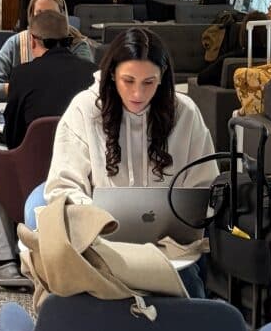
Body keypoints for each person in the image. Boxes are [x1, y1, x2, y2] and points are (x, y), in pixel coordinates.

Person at [44, 28, 217, 295]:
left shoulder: (185, 113)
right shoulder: (85, 109)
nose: (138, 93)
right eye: (128, 81)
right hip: (102, 245)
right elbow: (62, 188)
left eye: (149, 82)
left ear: (162, 79)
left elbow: (204, 187)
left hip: (170, 249)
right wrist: (95, 218)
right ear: (112, 74)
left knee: (190, 297)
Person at [0, 12, 97, 289]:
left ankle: (3, 261)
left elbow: (12, 135)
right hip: (84, 174)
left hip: (32, 175)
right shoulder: (92, 73)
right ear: (69, 40)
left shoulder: (22, 75)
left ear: (33, 41)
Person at [0, 0, 95, 115]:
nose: (45, 20)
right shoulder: (17, 43)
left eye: (51, 14)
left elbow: (89, 89)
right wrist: (20, 87)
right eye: (39, 14)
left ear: (62, 16)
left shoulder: (77, 45)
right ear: (31, 16)